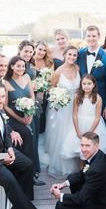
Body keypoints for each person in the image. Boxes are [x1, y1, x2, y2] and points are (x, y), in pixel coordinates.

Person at [0, 83, 56, 209]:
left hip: (5, 151)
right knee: (11, 181)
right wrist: (2, 157)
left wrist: (9, 148)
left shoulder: (0, 112)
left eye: (3, 96)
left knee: (27, 164)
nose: (1, 100)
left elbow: (5, 133)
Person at [51, 132, 106, 209]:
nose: (83, 149)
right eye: (82, 145)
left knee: (60, 206)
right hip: (97, 197)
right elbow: (82, 174)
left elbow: (81, 198)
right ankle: (77, 202)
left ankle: (79, 205)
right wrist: (62, 184)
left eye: (87, 146)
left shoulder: (96, 169)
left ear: (96, 146)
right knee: (72, 180)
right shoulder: (98, 155)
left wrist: (60, 195)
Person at [3, 56, 43, 185]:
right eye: (18, 66)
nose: (21, 68)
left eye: (23, 66)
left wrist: (30, 112)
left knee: (31, 142)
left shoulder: (26, 77)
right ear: (12, 66)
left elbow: (31, 96)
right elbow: (5, 106)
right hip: (14, 118)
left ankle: (32, 176)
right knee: (24, 139)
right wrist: (19, 118)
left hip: (28, 115)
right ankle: (21, 175)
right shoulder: (6, 82)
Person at [45, 45, 80, 179]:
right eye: (69, 54)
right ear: (64, 55)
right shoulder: (58, 71)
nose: (72, 57)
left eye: (74, 55)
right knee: (62, 134)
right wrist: (57, 99)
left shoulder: (77, 68)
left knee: (73, 133)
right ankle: (61, 165)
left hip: (76, 105)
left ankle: (74, 161)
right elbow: (51, 89)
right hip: (62, 107)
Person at [61, 74, 106, 164]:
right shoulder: (77, 96)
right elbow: (74, 115)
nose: (86, 86)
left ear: (94, 84)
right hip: (79, 125)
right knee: (80, 150)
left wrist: (90, 132)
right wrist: (78, 130)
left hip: (93, 126)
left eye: (89, 83)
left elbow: (97, 117)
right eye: (84, 83)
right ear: (81, 85)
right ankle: (81, 170)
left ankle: (91, 169)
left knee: (92, 149)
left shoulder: (98, 98)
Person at [78, 25, 106, 135]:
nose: (91, 38)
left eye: (94, 36)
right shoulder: (80, 54)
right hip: (82, 99)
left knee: (98, 128)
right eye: (88, 36)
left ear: (99, 36)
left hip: (100, 100)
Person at [18, 40, 44, 185]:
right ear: (20, 50)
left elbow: (37, 90)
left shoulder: (33, 69)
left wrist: (34, 104)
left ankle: (33, 172)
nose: (28, 54)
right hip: (17, 108)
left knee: (33, 140)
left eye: (30, 52)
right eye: (25, 51)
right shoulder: (15, 65)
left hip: (32, 108)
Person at [33, 40, 54, 133]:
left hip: (44, 93)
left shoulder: (48, 62)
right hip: (31, 92)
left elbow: (51, 79)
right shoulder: (30, 61)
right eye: (40, 49)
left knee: (42, 116)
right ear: (35, 48)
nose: (42, 52)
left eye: (44, 50)